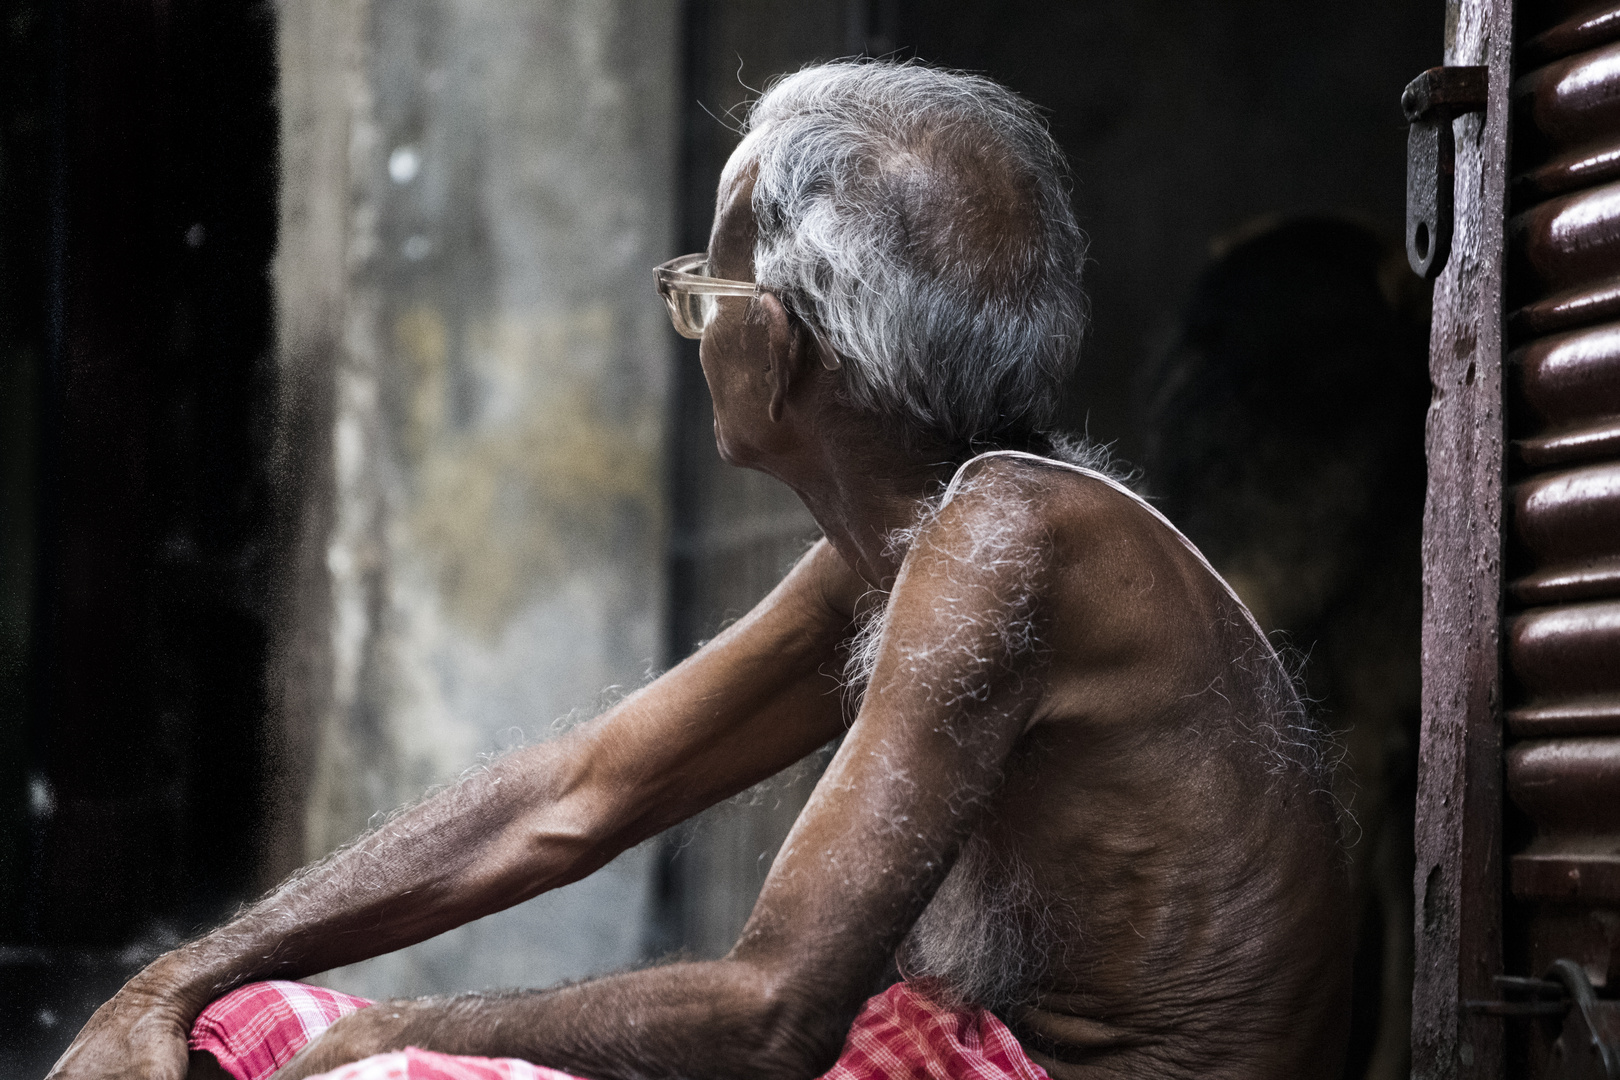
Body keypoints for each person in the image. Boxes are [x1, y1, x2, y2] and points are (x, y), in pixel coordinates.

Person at [49, 60, 1352, 1080]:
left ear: (778, 344)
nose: (696, 324)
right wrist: (179, 977)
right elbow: (576, 794)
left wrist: (405, 1031)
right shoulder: (925, 548)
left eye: (703, 294)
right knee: (256, 1026)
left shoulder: (1002, 546)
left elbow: (772, 1013)